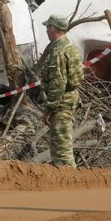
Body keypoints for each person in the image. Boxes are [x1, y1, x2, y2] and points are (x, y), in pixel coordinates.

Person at [38, 14, 84, 168]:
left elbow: (59, 83)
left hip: (62, 104)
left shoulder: (59, 52)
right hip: (68, 101)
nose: (46, 31)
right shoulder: (70, 48)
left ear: (53, 28)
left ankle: (68, 181)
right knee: (62, 144)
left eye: (47, 27)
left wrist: (49, 108)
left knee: (61, 149)